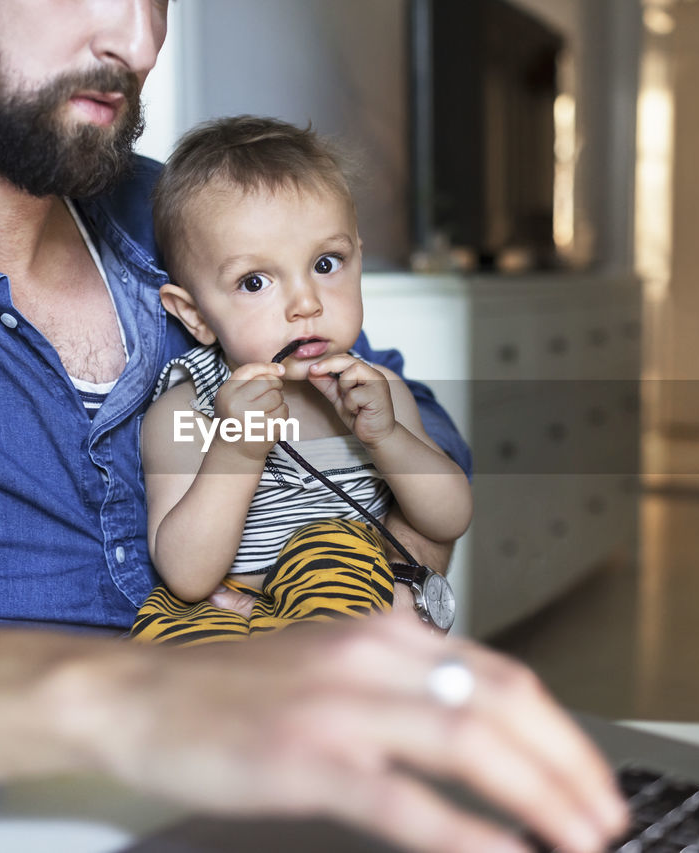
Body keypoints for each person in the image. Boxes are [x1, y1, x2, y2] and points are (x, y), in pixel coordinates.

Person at [0, 2, 627, 851]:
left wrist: (364, 567)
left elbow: (403, 417)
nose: (138, 43)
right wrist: (147, 699)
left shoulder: (176, 209)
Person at [131, 117, 472, 644]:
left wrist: (388, 438)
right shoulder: (184, 413)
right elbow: (187, 576)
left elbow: (449, 518)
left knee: (331, 548)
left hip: (339, 606)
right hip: (221, 609)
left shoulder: (376, 393)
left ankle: (305, 693)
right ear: (194, 314)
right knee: (164, 627)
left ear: (358, 259)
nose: (306, 303)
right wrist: (237, 451)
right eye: (255, 282)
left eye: (327, 263)